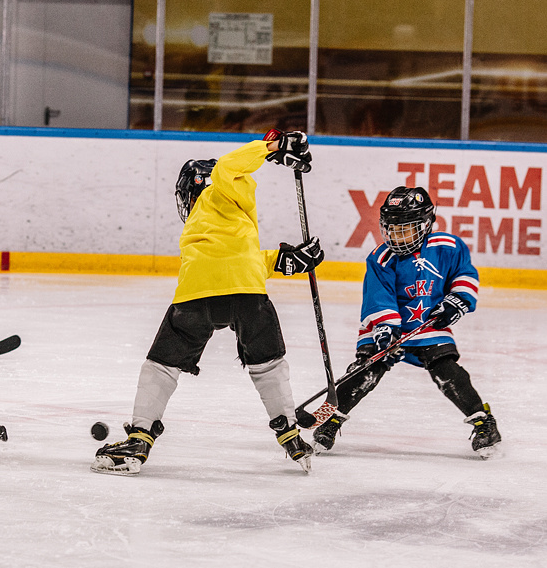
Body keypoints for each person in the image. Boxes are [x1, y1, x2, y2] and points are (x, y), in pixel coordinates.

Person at [91, 130, 325, 476]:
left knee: (162, 365)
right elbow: (236, 260)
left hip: (196, 293)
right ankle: (290, 435)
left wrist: (272, 147)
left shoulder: (218, 188)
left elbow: (228, 165)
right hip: (247, 291)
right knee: (268, 363)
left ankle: (139, 439)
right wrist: (283, 261)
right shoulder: (232, 206)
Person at [311, 186, 502, 459]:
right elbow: (378, 298)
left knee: (445, 369)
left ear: (425, 225)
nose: (396, 236)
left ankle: (483, 422)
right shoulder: (380, 258)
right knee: (366, 370)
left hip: (428, 322)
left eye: (405, 228)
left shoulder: (448, 247)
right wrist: (387, 328)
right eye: (391, 228)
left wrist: (457, 301)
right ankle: (332, 419)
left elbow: (464, 275)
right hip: (386, 325)